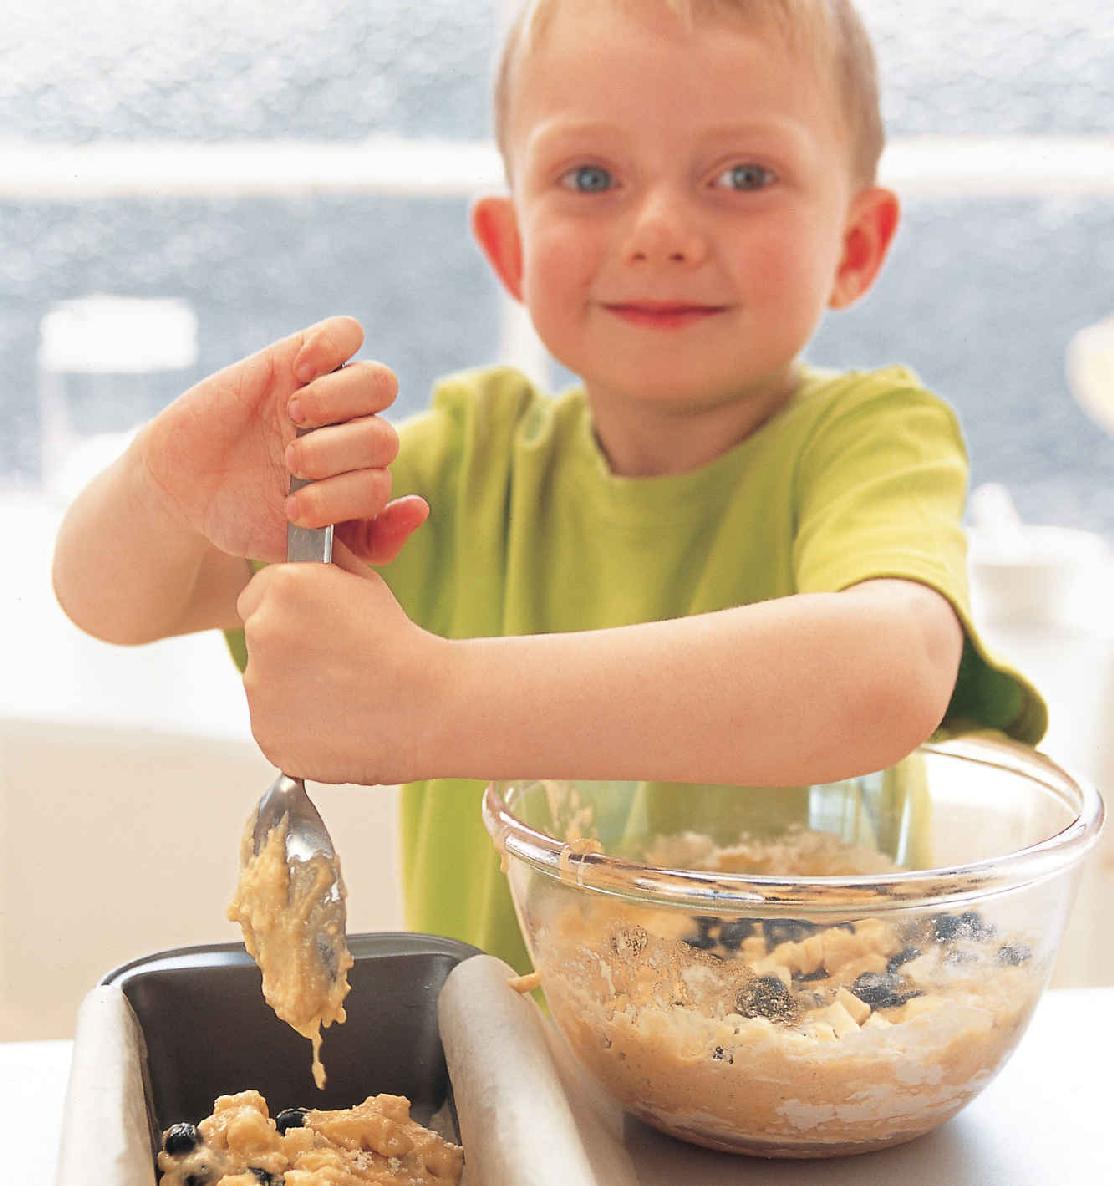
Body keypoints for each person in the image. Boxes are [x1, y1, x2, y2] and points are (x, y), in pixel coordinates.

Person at [53, 0, 1045, 974]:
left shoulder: (869, 439)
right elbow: (112, 603)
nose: (660, 229)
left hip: (815, 1105)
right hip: (507, 1102)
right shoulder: (463, 469)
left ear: (856, 246)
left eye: (744, 176)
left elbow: (882, 673)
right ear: (511, 248)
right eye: (589, 176)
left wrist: (429, 703)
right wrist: (163, 484)